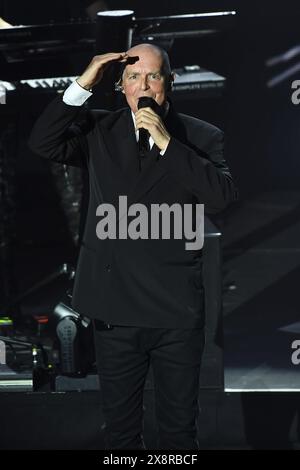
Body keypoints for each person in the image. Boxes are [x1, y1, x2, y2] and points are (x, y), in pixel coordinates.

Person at [29, 43, 237, 450]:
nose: (143, 86)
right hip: (115, 309)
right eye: (133, 77)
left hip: (175, 311)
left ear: (170, 83)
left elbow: (222, 198)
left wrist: (167, 145)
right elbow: (43, 142)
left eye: (153, 76)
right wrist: (82, 83)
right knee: (122, 435)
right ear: (120, 86)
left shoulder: (200, 136)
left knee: (179, 435)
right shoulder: (98, 131)